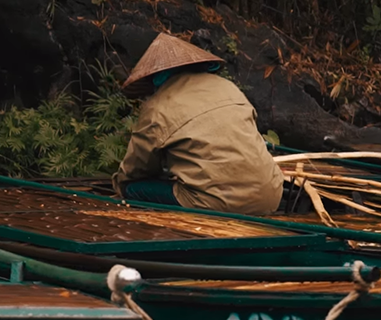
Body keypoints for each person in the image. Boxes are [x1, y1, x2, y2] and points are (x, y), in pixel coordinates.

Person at [110, 33, 284, 216]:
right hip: (271, 196)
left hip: (218, 204)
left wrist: (120, 183)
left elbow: (137, 167)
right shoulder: (228, 87)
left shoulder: (158, 107)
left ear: (156, 77)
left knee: (132, 188)